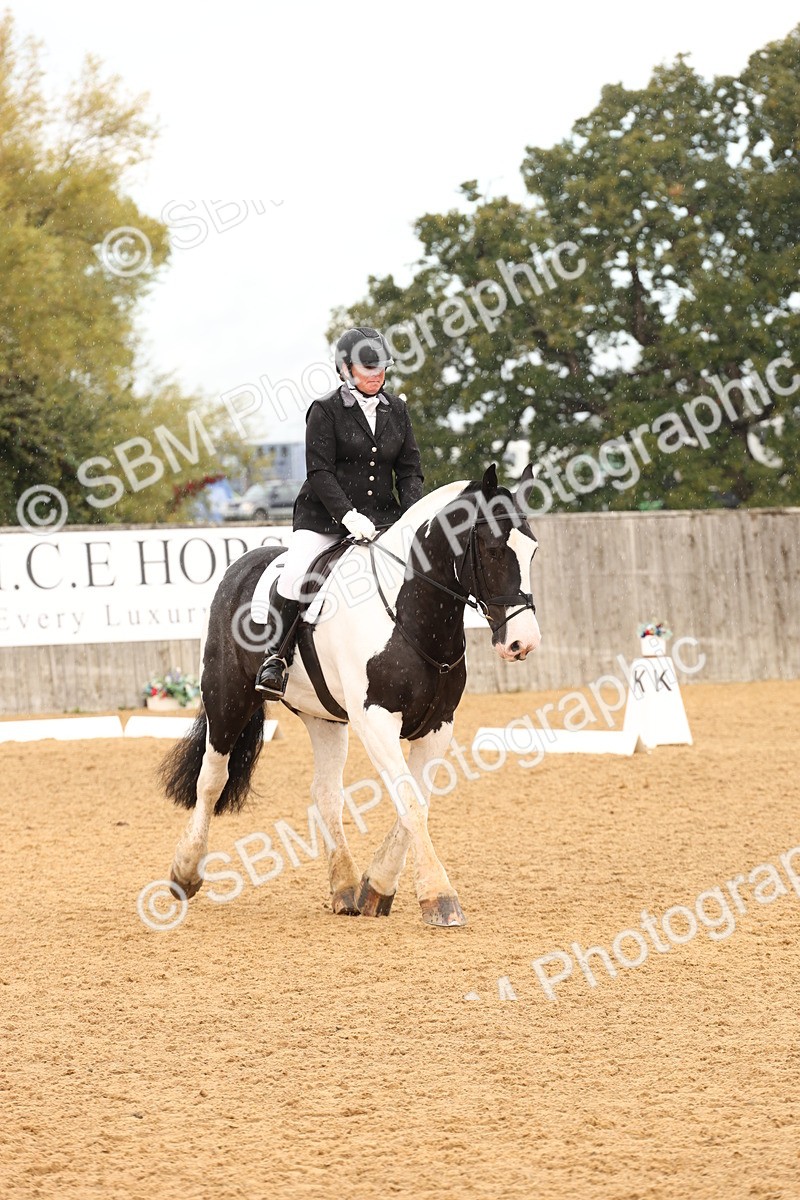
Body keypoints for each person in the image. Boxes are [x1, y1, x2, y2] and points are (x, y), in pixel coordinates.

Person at [254, 326, 424, 697]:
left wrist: (411, 517)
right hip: (325, 519)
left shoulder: (397, 409)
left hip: (384, 518)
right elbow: (319, 472)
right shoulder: (325, 411)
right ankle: (276, 659)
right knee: (296, 573)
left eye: (381, 368)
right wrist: (348, 516)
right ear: (345, 369)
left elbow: (409, 469)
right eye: (368, 369)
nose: (377, 375)